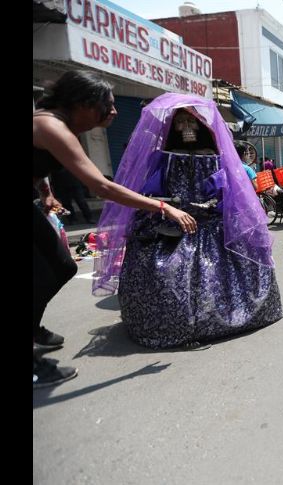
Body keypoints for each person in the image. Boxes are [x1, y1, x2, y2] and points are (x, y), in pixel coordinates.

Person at [33, 70, 197, 387]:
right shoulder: (51, 126)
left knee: (63, 265)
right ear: (81, 104)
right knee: (39, 276)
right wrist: (164, 207)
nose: (114, 111)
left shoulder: (59, 124)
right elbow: (102, 187)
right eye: (106, 105)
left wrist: (45, 191)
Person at [94, 93, 283, 349]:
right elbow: (152, 188)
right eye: (180, 123)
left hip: (210, 221)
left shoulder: (215, 156)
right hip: (173, 221)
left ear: (201, 126)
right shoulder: (163, 157)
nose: (186, 128)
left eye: (191, 122)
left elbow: (229, 190)